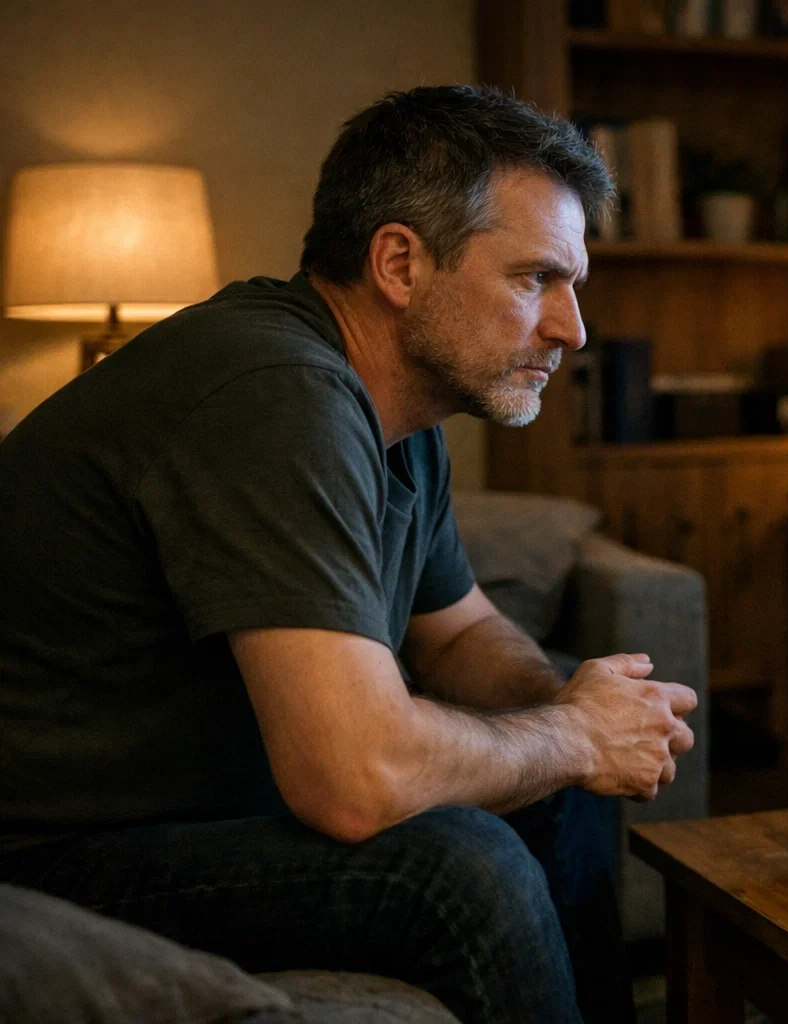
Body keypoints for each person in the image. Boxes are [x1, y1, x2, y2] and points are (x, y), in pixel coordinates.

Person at [0, 87, 698, 1024]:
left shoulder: (399, 414)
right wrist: (574, 737)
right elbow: (351, 781)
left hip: (193, 818)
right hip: (52, 859)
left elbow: (458, 638)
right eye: (535, 280)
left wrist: (572, 708)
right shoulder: (273, 394)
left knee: (554, 773)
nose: (572, 329)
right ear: (400, 262)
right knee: (462, 870)